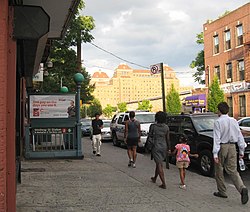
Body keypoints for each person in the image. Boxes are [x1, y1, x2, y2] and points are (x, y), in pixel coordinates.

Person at [213, 102, 248, 204]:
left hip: (222, 147)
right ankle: (242, 188)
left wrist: (215, 153)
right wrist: (242, 150)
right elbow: (239, 136)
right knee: (233, 170)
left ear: (219, 110)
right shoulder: (234, 121)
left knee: (219, 170)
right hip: (232, 146)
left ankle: (222, 191)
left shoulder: (218, 122)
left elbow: (217, 138)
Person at [149, 111, 170, 189]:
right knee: (159, 162)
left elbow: (150, 136)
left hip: (156, 146)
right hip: (164, 146)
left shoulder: (153, 126)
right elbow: (168, 139)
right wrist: (169, 148)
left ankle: (163, 183)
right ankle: (154, 178)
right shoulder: (166, 127)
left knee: (159, 164)